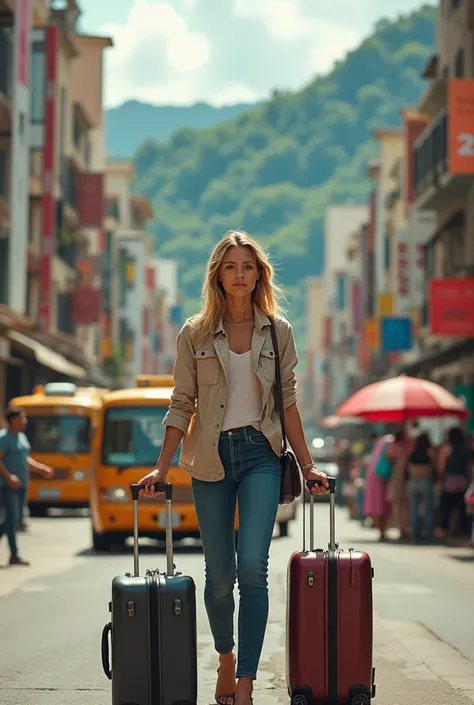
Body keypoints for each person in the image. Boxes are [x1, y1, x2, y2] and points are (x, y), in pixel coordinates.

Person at [137, 230, 329, 705]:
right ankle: (224, 655)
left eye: (247, 266)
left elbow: (288, 404)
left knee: (253, 569)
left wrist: (308, 466)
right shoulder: (195, 333)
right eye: (230, 267)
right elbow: (181, 403)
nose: (239, 275)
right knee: (219, 576)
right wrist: (161, 468)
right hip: (210, 456)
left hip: (262, 454)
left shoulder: (278, 331)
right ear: (217, 276)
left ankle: (245, 680)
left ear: (258, 273)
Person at [0, 406, 54, 566]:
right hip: (9, 486)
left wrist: (41, 469)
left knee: (14, 521)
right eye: (21, 419)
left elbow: (26, 459)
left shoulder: (22, 437)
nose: (25, 421)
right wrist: (9, 476)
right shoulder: (4, 438)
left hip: (23, 485)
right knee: (12, 519)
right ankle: (14, 555)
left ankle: (14, 555)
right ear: (12, 421)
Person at [436, 426, 471, 542]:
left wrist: (440, 479)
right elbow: (468, 467)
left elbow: (441, 467)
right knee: (458, 506)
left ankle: (443, 531)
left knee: (447, 506)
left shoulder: (447, 448)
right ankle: (454, 529)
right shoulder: (466, 449)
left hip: (450, 480)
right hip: (462, 480)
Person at [406, 432, 437, 543]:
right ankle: (429, 534)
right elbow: (435, 467)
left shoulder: (412, 453)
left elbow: (408, 468)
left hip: (413, 482)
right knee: (428, 508)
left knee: (413, 509)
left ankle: (414, 534)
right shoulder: (429, 454)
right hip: (426, 481)